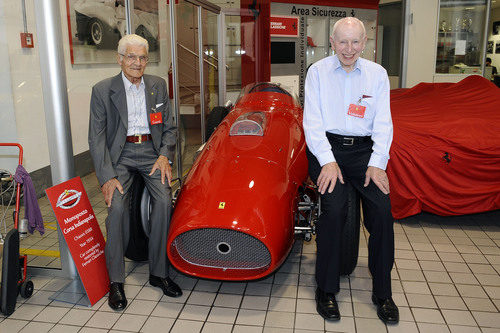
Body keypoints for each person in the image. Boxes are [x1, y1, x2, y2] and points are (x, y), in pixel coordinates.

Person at [303, 17, 398, 323]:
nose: (349, 49)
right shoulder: (317, 72)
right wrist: (328, 161)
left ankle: (383, 292)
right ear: (332, 43)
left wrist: (377, 163)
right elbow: (312, 123)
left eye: (355, 41)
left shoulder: (377, 75)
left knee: (382, 212)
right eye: (342, 42)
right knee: (333, 212)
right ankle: (326, 290)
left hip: (364, 153)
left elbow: (384, 124)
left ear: (365, 42)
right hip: (326, 148)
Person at [89, 34, 181, 311]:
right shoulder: (103, 90)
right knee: (116, 208)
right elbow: (96, 138)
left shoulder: (157, 85)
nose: (137, 63)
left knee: (164, 202)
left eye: (142, 57)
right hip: (121, 156)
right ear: (119, 59)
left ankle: (159, 273)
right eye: (131, 57)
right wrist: (107, 177)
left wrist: (165, 155)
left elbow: (170, 127)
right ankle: (115, 282)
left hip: (152, 154)